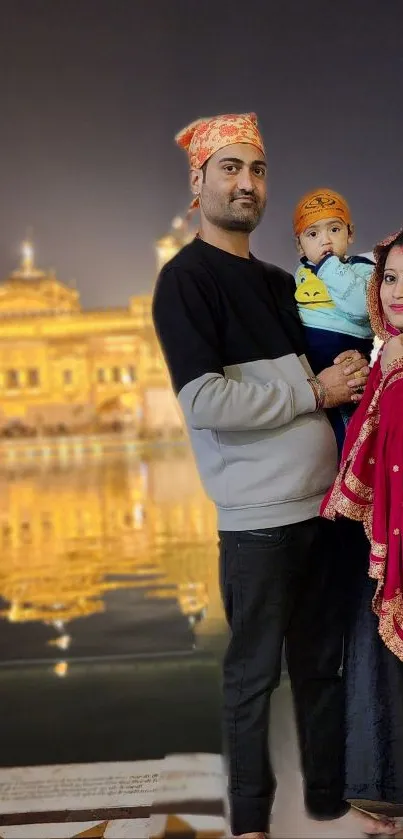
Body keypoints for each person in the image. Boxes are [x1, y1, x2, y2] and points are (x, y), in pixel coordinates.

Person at [151, 111, 375, 839]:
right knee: (251, 678)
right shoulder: (185, 282)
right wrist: (315, 391)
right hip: (256, 520)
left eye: (257, 170)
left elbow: (327, 360)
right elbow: (207, 401)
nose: (246, 183)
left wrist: (344, 368)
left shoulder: (285, 282)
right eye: (229, 168)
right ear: (198, 181)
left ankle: (328, 806)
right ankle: (249, 822)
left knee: (321, 669)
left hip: (324, 510)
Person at [322, 228, 403, 825]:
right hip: (379, 533)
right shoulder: (387, 354)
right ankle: (382, 785)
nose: (397, 293)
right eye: (391, 278)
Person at [293, 187, 374, 455]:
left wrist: (328, 267)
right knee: (320, 437)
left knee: (352, 435)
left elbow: (361, 307)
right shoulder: (299, 274)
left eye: (334, 230)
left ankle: (352, 485)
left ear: (350, 234)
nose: (325, 240)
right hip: (311, 369)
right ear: (299, 245)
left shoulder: (362, 269)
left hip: (346, 357)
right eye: (313, 234)